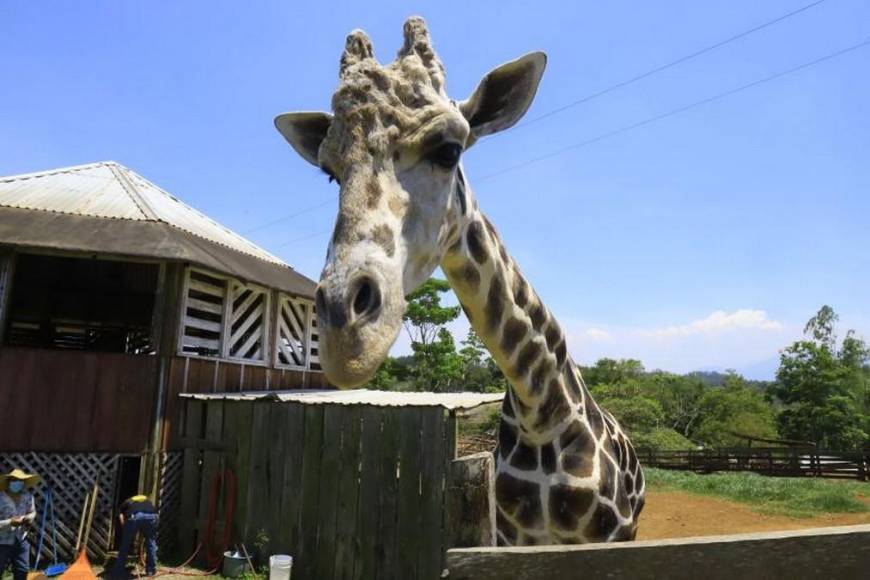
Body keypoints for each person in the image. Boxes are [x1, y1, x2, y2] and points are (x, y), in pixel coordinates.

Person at [0, 468, 40, 580]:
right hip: (2, 541)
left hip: (21, 539)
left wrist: (29, 519)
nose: (17, 482)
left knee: (22, 570)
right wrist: (10, 522)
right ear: (8, 481)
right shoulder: (1, 497)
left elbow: (32, 512)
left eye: (20, 480)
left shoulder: (27, 496)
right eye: (14, 480)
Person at [110, 494, 158, 578]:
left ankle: (118, 571)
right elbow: (153, 513)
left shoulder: (126, 502)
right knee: (151, 543)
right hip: (152, 516)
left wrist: (125, 529)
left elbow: (121, 516)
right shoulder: (147, 500)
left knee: (125, 544)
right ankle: (151, 570)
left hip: (135, 516)